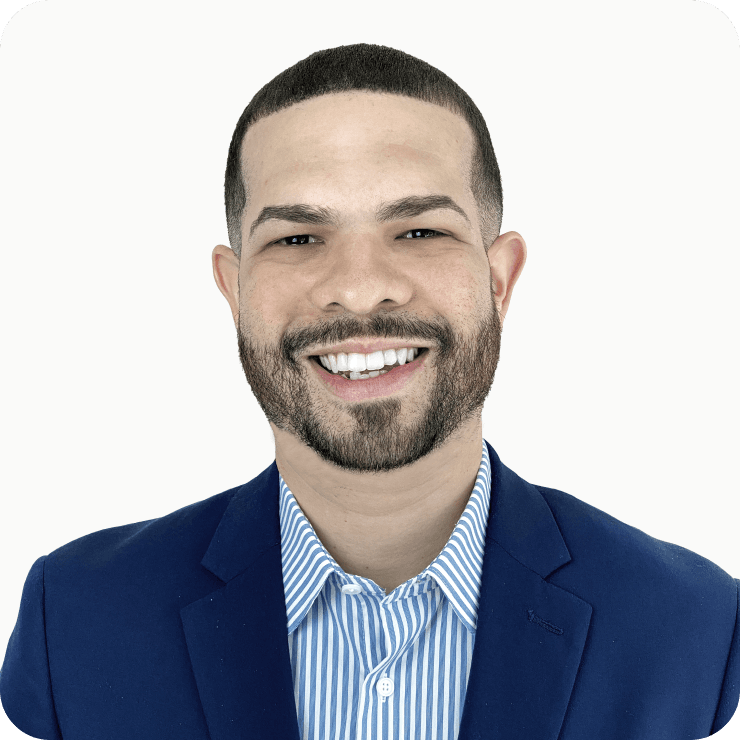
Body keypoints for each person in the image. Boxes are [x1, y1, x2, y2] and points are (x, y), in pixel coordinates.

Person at [0, 42, 737, 740]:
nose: (357, 288)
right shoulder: (73, 621)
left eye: (418, 232)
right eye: (296, 239)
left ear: (499, 279)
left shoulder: (700, 631)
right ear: (235, 289)